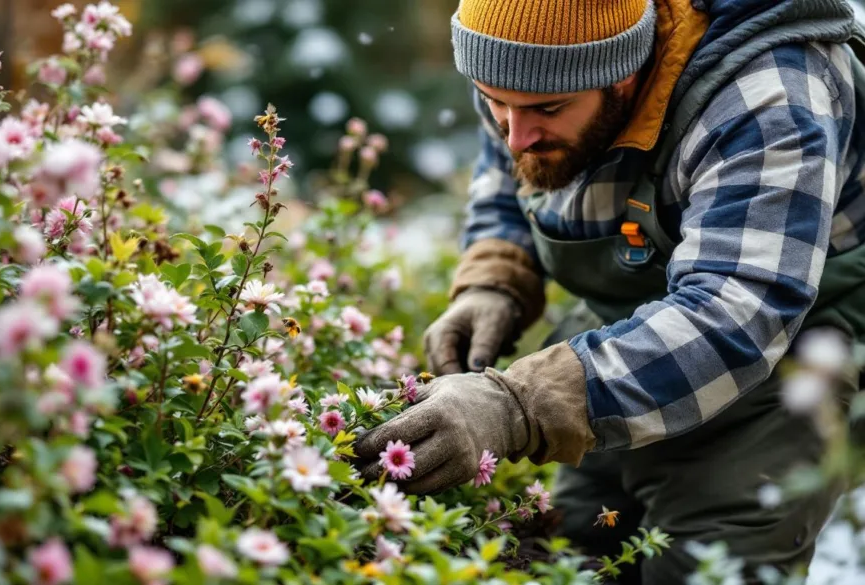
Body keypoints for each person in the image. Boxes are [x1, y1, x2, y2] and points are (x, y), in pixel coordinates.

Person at [353, 0, 865, 582]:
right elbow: (514, 170)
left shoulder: (768, 95)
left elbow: (737, 313)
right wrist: (496, 277)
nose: (516, 134)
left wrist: (517, 405)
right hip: (638, 313)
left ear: (623, 74)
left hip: (796, 347)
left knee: (704, 568)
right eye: (494, 101)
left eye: (546, 107)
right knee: (570, 551)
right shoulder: (521, 70)